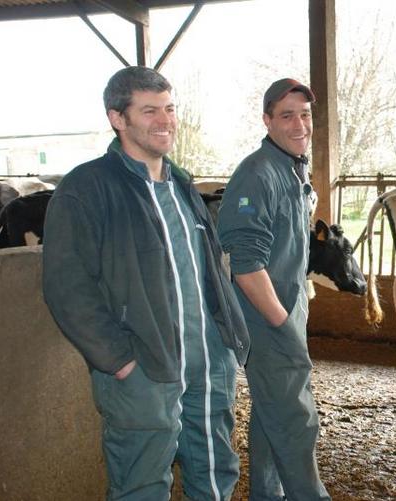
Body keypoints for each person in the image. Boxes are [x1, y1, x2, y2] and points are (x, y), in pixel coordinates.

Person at [42, 66, 250, 500]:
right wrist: (117, 359)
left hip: (208, 362)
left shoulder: (181, 184)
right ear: (118, 118)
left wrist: (228, 341)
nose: (166, 120)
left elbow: (208, 267)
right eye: (150, 110)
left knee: (216, 470)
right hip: (145, 366)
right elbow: (66, 284)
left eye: (170, 108)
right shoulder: (88, 187)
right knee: (142, 482)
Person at [217, 78, 330, 501]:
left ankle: (267, 495)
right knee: (296, 420)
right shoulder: (258, 174)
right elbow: (246, 266)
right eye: (287, 115)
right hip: (266, 316)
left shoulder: (290, 168)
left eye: (305, 114)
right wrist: (282, 323)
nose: (299, 124)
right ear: (267, 120)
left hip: (286, 307)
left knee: (271, 415)